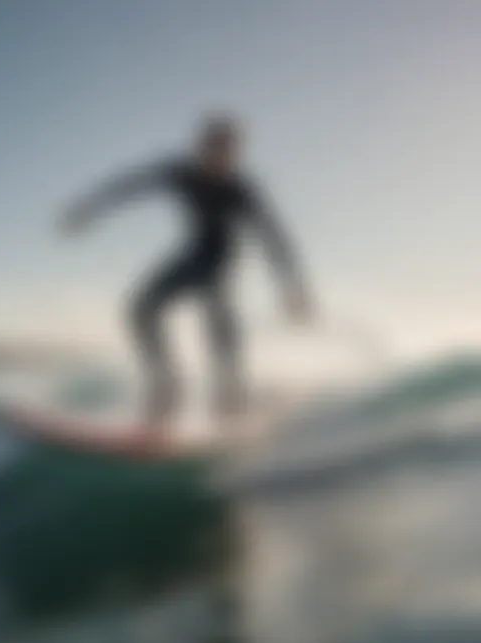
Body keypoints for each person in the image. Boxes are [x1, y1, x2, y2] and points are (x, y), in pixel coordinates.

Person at [59, 115, 314, 428]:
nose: (220, 160)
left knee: (216, 316)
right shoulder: (181, 173)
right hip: (192, 253)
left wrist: (293, 286)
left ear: (236, 155)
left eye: (228, 154)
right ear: (200, 149)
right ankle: (167, 384)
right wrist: (88, 208)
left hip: (222, 259)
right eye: (213, 150)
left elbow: (274, 235)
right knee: (141, 309)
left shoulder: (242, 190)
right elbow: (130, 185)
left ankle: (231, 397)